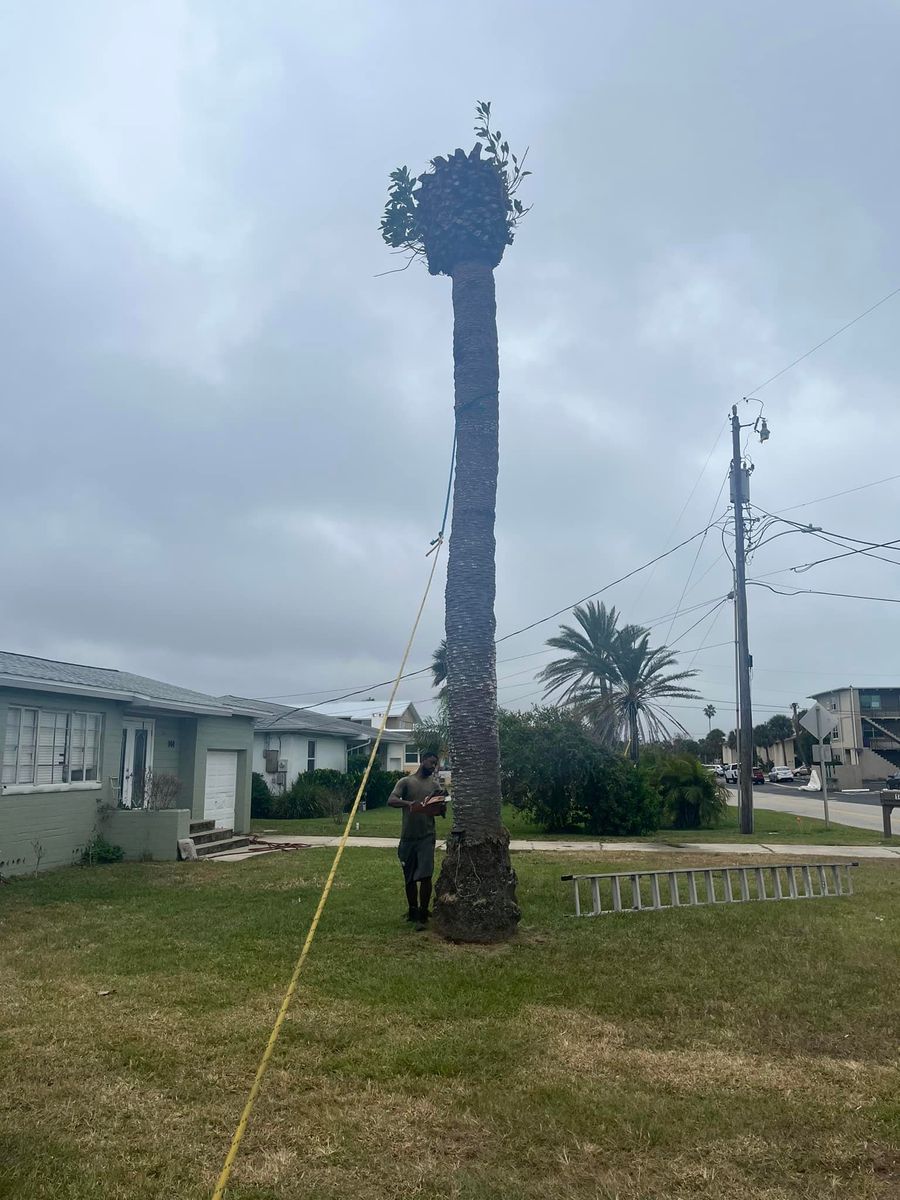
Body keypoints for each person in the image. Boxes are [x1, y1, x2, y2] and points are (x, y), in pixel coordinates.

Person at [387, 752, 447, 930]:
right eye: (431, 762)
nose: (433, 766)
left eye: (435, 764)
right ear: (423, 761)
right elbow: (391, 800)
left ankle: (423, 913)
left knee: (426, 875)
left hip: (426, 836)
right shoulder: (406, 782)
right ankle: (412, 910)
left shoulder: (435, 785)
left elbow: (440, 812)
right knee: (410, 877)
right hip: (408, 838)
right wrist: (409, 804)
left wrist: (441, 807)